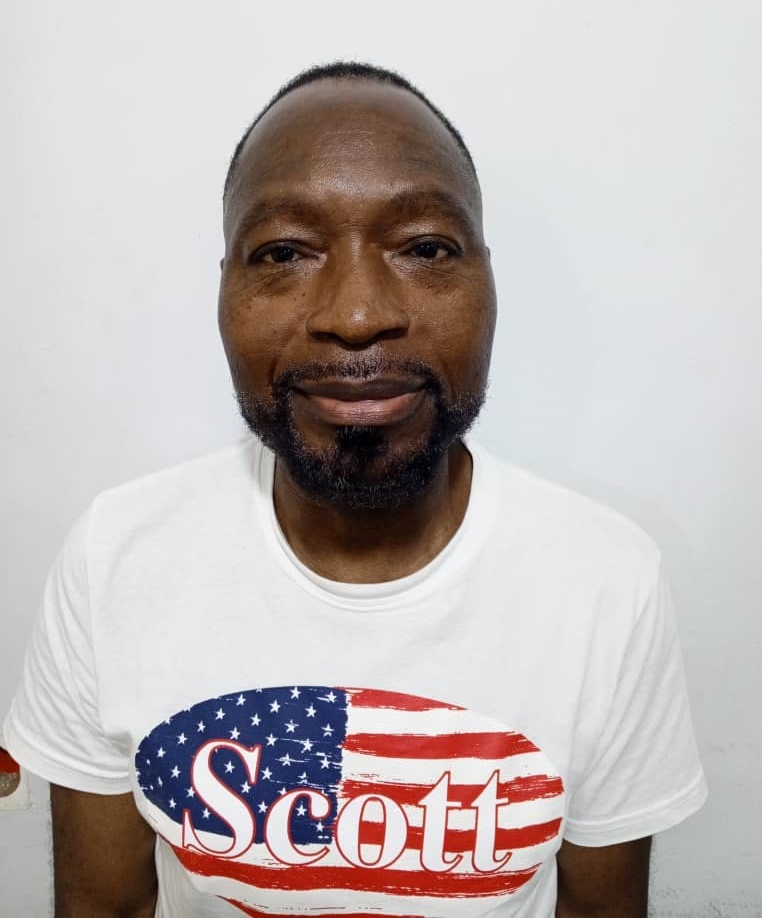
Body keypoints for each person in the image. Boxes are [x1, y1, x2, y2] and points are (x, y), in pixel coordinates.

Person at [3, 62, 707, 917]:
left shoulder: (606, 579)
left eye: (425, 248)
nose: (358, 314)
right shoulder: (115, 558)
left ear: (489, 281)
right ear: (224, 286)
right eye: (285, 253)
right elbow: (104, 907)